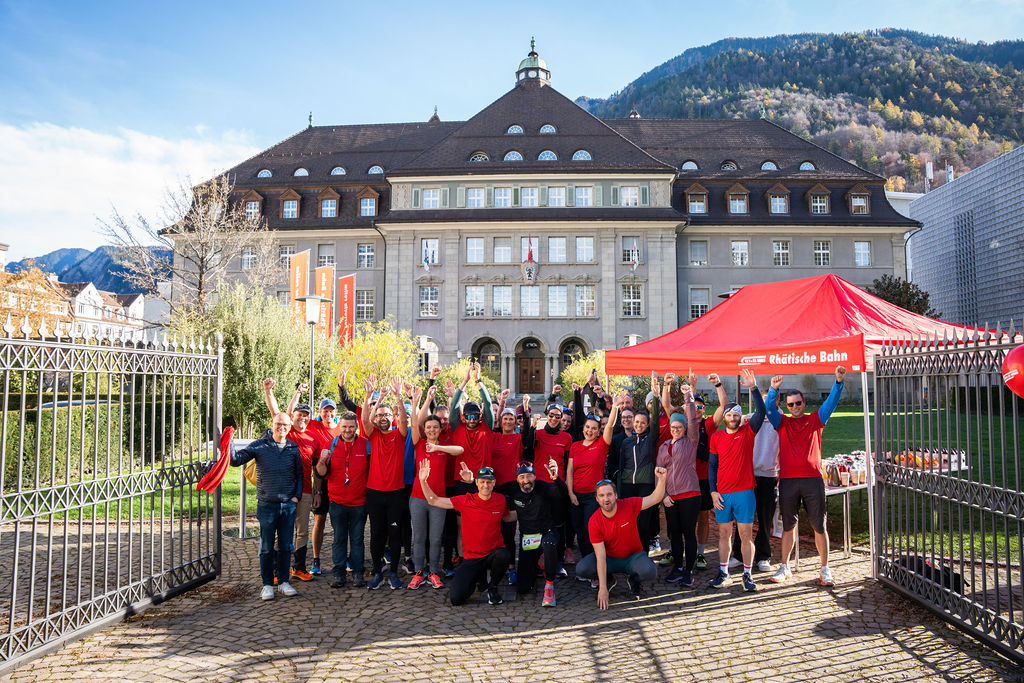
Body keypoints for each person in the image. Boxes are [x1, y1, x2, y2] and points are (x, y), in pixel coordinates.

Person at [766, 365, 847, 587]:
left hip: (812, 480)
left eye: (798, 403)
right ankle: (785, 566)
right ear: (787, 406)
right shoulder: (782, 423)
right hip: (789, 481)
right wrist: (773, 391)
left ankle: (825, 569)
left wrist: (838, 383)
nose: (794, 407)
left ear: (804, 403)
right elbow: (769, 411)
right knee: (788, 526)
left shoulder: (815, 420)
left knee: (819, 526)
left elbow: (830, 404)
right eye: (790, 404)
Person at [227, 412, 303, 600]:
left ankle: (284, 582)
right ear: (272, 424)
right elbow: (236, 460)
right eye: (279, 424)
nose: (282, 428)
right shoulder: (260, 445)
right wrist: (229, 442)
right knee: (267, 547)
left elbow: (300, 475)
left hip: (288, 505)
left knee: (286, 545)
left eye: (285, 425)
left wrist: (296, 497)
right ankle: (267, 584)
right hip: (267, 505)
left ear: (289, 427)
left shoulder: (293, 448)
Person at [419, 461, 515, 606]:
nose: (485, 486)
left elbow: (508, 517)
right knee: (456, 599)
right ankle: (478, 578)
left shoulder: (500, 500)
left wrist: (532, 511)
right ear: (477, 482)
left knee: (504, 555)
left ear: (494, 483)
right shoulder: (466, 500)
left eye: (489, 482)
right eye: (482, 482)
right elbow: (433, 500)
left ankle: (492, 587)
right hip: (472, 557)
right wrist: (423, 481)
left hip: (492, 554)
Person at [262, 379, 328, 583]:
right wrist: (268, 390)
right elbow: (276, 412)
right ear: (293, 417)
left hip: (306, 491)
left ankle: (298, 567)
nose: (303, 418)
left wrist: (317, 493)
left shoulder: (313, 439)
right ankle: (274, 571)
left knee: (302, 531)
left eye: (306, 416)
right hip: (283, 490)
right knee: (279, 531)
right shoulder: (287, 432)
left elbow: (317, 470)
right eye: (299, 415)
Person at [707, 369, 767, 592]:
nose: (732, 418)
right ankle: (723, 572)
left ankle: (747, 574)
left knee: (745, 534)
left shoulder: (748, 431)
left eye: (736, 415)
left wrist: (753, 388)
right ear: (724, 418)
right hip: (723, 493)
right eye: (729, 415)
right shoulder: (716, 437)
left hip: (744, 492)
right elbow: (713, 466)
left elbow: (761, 412)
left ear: (741, 417)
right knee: (724, 534)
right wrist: (713, 491)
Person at [576, 467, 668, 608]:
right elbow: (600, 557)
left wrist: (662, 479)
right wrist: (602, 588)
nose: (606, 499)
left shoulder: (628, 505)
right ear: (596, 498)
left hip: (632, 557)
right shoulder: (594, 521)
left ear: (616, 495)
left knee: (650, 571)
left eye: (609, 494)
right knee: (582, 568)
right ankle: (608, 580)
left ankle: (633, 580)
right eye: (601, 495)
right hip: (609, 558)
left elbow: (655, 498)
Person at [408, 385, 465, 590]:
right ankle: (418, 572)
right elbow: (415, 425)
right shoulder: (419, 443)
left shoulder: (444, 446)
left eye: (435, 427)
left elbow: (459, 450)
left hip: (438, 499)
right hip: (417, 498)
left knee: (435, 538)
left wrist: (438, 447)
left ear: (441, 429)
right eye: (429, 427)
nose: (431, 430)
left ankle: (433, 571)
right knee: (420, 537)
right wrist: (416, 402)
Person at [567, 392, 621, 586]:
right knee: (579, 532)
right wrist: (570, 492)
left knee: (592, 534)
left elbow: (611, 425)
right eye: (588, 427)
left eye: (594, 429)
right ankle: (587, 567)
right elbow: (570, 471)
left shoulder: (601, 444)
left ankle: (597, 573)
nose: (590, 431)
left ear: (599, 431)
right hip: (576, 496)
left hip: (593, 497)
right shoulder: (575, 446)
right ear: (584, 428)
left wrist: (614, 407)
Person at [361, 375, 410, 590]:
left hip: (396, 493)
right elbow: (364, 420)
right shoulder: (373, 436)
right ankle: (378, 570)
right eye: (380, 415)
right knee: (376, 534)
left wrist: (398, 397)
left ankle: (394, 572)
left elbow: (404, 421)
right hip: (374, 493)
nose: (383, 417)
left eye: (387, 415)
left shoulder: (399, 435)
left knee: (395, 533)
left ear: (393, 418)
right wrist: (372, 397)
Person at [498, 459, 566, 606]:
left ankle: (549, 586)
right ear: (517, 479)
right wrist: (472, 481)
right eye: (522, 477)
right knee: (523, 588)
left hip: (547, 532)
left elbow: (562, 492)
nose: (526, 480)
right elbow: (490, 490)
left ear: (534, 476)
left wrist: (556, 477)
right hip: (528, 537)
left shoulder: (542, 487)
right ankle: (540, 564)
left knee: (548, 545)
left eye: (529, 476)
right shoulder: (513, 488)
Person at [315, 411, 370, 588]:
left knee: (357, 539)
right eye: (344, 426)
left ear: (356, 427)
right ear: (340, 426)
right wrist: (321, 464)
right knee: (339, 539)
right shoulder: (330, 444)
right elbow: (321, 473)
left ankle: (357, 573)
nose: (348, 430)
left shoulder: (365, 445)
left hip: (359, 503)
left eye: (351, 427)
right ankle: (339, 574)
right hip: (337, 502)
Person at [656, 377, 701, 587]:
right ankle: (677, 567)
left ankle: (689, 570)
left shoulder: (691, 441)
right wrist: (663, 495)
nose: (675, 429)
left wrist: (688, 395)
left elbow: (692, 419)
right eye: (673, 426)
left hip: (689, 494)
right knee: (674, 535)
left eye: (679, 427)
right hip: (671, 498)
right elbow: (659, 472)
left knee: (689, 533)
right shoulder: (664, 445)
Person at [731, 388, 780, 573]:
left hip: (768, 476)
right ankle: (738, 554)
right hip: (748, 476)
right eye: (764, 399)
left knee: (766, 519)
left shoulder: (780, 421)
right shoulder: (750, 419)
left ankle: (763, 556)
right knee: (743, 518)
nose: (766, 403)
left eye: (771, 399)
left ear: (777, 402)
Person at [615, 372, 662, 553]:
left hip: (645, 486)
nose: (639, 425)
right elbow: (621, 465)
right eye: (636, 422)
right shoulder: (626, 442)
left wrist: (656, 397)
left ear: (647, 424)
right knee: (629, 522)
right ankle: (628, 552)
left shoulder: (650, 439)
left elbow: (656, 422)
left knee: (643, 523)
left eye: (643, 422)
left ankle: (642, 553)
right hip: (627, 486)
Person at [692, 376, 729, 570]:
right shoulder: (683, 423)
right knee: (685, 518)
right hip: (686, 480)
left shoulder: (708, 425)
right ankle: (682, 550)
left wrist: (718, 385)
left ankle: (700, 552)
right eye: (693, 406)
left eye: (700, 407)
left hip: (704, 478)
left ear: (704, 409)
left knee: (703, 516)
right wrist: (691, 387)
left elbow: (724, 407)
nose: (696, 410)